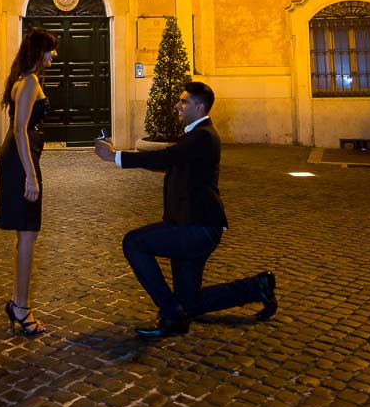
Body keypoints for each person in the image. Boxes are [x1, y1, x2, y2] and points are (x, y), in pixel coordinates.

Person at [95, 81, 277, 339]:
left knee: (134, 243)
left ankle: (171, 315)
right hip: (193, 225)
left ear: (199, 106)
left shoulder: (202, 136)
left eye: (184, 102)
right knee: (189, 303)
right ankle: (255, 287)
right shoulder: (197, 134)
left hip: (197, 228)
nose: (177, 106)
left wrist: (116, 157)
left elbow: (166, 157)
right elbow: (171, 161)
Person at [0, 26, 59, 336]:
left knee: (26, 235)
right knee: (28, 235)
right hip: (21, 161)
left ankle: (18, 302)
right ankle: (20, 307)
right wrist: (31, 175)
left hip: (19, 158)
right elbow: (20, 129)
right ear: (38, 52)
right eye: (50, 49)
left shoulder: (23, 80)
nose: (54, 55)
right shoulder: (30, 82)